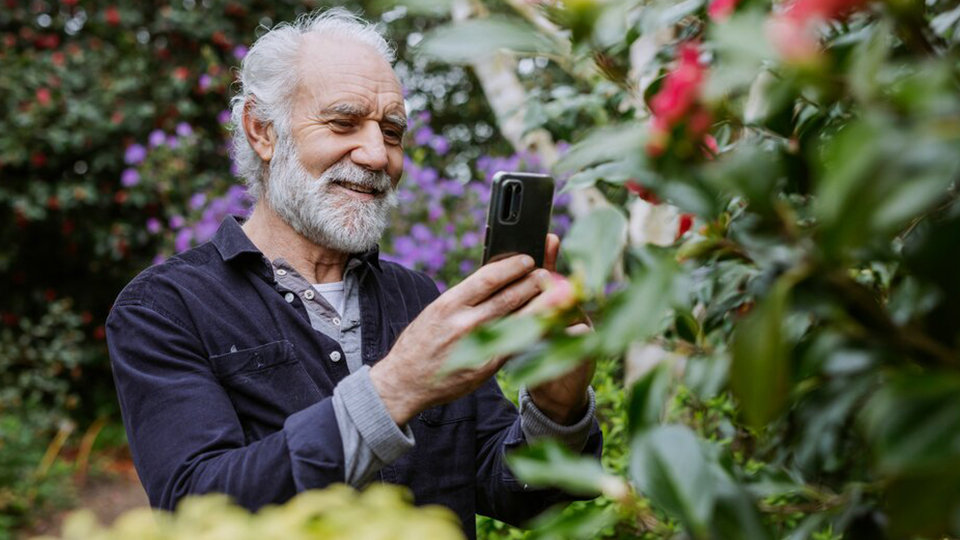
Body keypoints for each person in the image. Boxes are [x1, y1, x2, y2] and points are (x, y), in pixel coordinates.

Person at [106, 8, 602, 537]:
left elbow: (510, 490)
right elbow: (195, 510)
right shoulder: (163, 310)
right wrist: (395, 388)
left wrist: (557, 407)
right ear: (262, 131)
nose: (376, 155)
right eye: (343, 122)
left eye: (392, 131)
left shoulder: (416, 296)